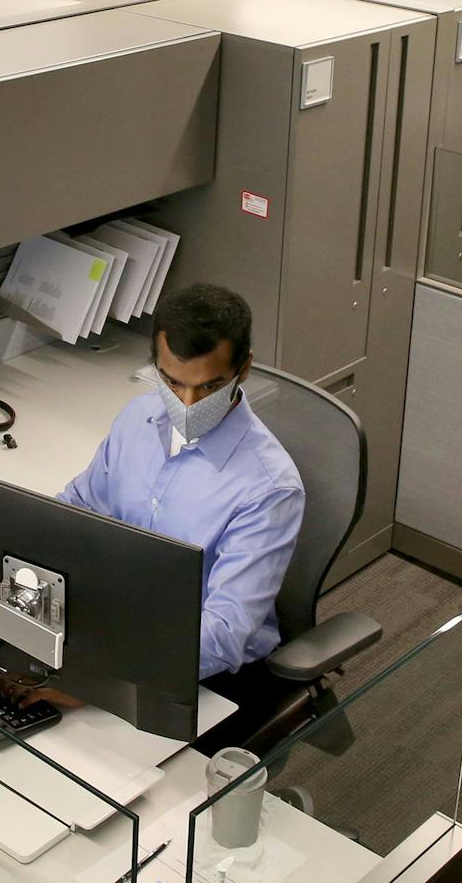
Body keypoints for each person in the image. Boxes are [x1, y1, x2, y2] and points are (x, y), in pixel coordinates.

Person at [58, 282, 305, 690]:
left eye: (209, 386)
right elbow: (79, 509)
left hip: (203, 671)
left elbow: (221, 635)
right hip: (115, 624)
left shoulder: (270, 489)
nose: (188, 404)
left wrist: (99, 679)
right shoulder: (138, 417)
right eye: (172, 383)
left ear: (243, 370)